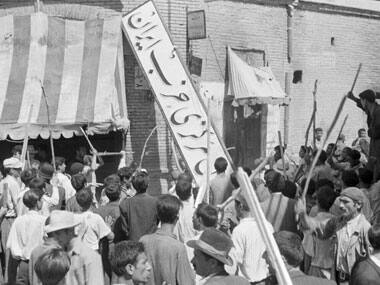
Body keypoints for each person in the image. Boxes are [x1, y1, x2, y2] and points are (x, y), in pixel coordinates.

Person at [296, 187, 372, 284]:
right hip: (337, 278)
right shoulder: (337, 222)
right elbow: (315, 226)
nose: (340, 205)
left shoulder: (365, 229)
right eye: (340, 201)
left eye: (345, 202)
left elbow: (370, 264)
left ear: (358, 205)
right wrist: (302, 213)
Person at [29, 210, 105, 285]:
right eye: (53, 233)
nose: (55, 237)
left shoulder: (90, 257)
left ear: (70, 231)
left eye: (58, 233)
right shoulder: (56, 254)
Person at [140, 194, 195, 285]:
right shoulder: (178, 248)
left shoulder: (143, 241)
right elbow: (186, 282)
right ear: (177, 218)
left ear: (158, 216)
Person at [227, 193, 274, 284]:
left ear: (240, 206)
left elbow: (235, 260)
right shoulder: (268, 226)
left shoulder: (239, 231)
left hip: (247, 281)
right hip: (266, 280)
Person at [7, 189, 46, 284]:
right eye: (42, 200)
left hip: (23, 264)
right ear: (37, 202)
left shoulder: (18, 220)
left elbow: (11, 244)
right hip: (39, 263)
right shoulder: (43, 221)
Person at [348, 89, 380, 178]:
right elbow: (364, 107)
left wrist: (370, 132)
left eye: (361, 100)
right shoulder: (372, 109)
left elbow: (377, 132)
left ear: (365, 100)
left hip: (378, 143)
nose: (361, 102)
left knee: (377, 164)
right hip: (375, 143)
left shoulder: (378, 112)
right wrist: (353, 98)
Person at [119, 170, 158, 241]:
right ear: (148, 185)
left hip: (133, 243)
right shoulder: (156, 202)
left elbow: (124, 229)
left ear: (133, 185)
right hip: (152, 242)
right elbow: (157, 223)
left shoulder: (125, 204)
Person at [0, 157, 23, 280]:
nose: (20, 170)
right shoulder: (12, 183)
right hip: (10, 219)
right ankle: (11, 280)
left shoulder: (5, 182)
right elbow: (17, 204)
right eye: (18, 168)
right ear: (11, 170)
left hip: (7, 219)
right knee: (11, 252)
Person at [260, 169, 298, 233]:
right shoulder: (294, 204)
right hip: (290, 241)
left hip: (271, 241)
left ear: (268, 188)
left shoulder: (261, 206)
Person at [173, 179, 197, 243]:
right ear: (191, 193)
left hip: (178, 245)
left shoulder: (173, 210)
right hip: (192, 246)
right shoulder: (195, 212)